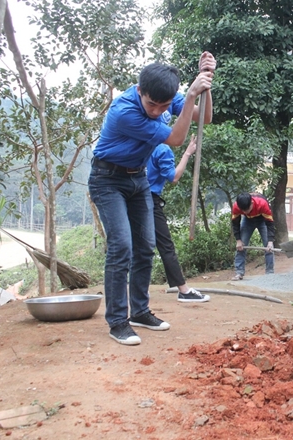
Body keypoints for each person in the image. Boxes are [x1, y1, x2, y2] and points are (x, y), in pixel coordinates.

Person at [89, 54, 216, 346]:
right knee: (121, 246)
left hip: (138, 179)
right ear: (139, 91)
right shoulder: (125, 111)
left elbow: (204, 118)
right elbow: (175, 138)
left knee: (145, 247)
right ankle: (118, 321)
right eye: (152, 105)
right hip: (107, 180)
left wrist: (207, 83)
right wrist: (192, 95)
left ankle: (140, 312)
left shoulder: (164, 98)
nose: (158, 110)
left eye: (164, 105)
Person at [146, 136, 211, 304]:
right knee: (166, 246)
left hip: (132, 198)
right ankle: (183, 290)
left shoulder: (140, 143)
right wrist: (188, 153)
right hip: (149, 200)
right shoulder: (161, 149)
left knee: (140, 246)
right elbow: (173, 177)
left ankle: (139, 290)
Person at [230, 192, 275, 281]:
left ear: (252, 203)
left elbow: (270, 223)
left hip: (262, 220)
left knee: (269, 247)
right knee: (241, 246)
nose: (245, 212)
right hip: (247, 221)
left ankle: (270, 273)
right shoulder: (236, 206)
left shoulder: (262, 203)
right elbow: (235, 223)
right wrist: (238, 240)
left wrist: (270, 241)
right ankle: (239, 272)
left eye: (247, 209)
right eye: (243, 210)